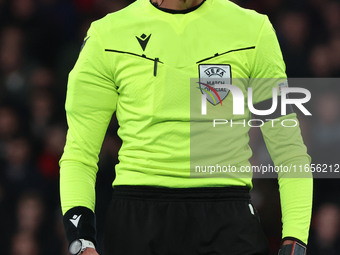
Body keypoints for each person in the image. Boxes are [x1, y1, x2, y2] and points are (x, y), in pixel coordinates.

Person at [59, 0, 313, 254]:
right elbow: (79, 153)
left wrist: (296, 240)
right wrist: (82, 243)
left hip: (227, 214)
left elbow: (288, 148)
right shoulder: (107, 36)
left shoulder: (254, 30)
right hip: (138, 215)